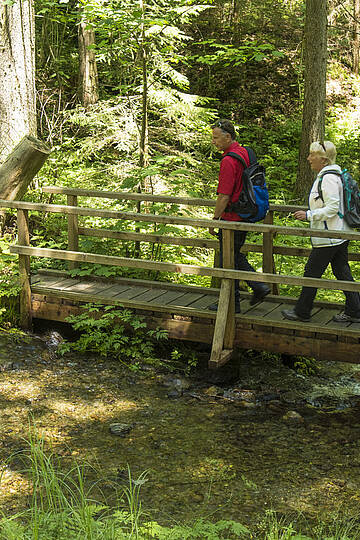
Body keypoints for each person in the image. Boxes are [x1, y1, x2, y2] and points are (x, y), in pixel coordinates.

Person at [282, 140, 360, 323]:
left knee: (311, 272)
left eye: (312, 155)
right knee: (342, 271)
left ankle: (302, 312)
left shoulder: (328, 179)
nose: (309, 158)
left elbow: (332, 208)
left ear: (323, 160)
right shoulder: (330, 176)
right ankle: (355, 310)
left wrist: (309, 215)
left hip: (330, 236)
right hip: (337, 234)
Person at [209, 119, 270, 313]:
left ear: (228, 137)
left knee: (229, 258)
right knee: (232, 257)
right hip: (245, 213)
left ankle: (256, 287)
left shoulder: (228, 160)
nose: (213, 141)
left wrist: (215, 219)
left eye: (216, 138)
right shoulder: (245, 152)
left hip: (232, 218)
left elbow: (224, 195)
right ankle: (232, 303)